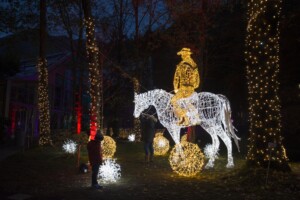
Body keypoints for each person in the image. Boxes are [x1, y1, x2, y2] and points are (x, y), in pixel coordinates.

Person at [171, 47, 200, 126]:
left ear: (185, 55)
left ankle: (182, 117)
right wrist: (194, 86)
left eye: (182, 54)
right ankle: (195, 117)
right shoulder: (194, 65)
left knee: (173, 101)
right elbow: (197, 79)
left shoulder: (180, 65)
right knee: (187, 102)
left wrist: (176, 88)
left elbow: (176, 78)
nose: (181, 56)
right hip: (191, 88)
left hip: (183, 88)